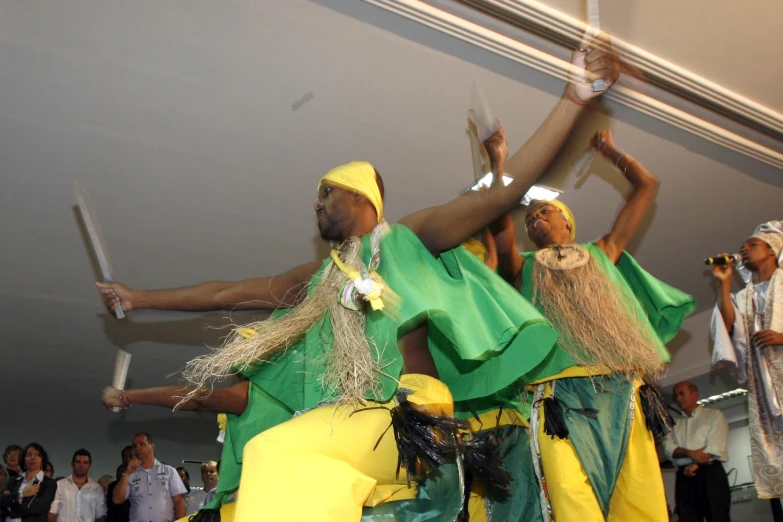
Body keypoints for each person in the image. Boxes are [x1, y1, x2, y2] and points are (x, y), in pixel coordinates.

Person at [99, 34, 620, 522]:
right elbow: (225, 293)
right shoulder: (324, 277)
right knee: (283, 469)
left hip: (411, 419)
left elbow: (499, 197)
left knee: (271, 450)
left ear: (361, 196)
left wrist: (574, 98)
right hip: (355, 419)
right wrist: (137, 295)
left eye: (326, 193)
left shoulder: (407, 239)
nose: (317, 205)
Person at [484, 129, 696, 521]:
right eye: (529, 218)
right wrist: (498, 167)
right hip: (556, 399)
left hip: (620, 390)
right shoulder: (524, 268)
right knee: (570, 501)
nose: (535, 219)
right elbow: (500, 232)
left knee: (639, 501)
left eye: (545, 211)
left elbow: (646, 185)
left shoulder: (602, 252)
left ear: (568, 223)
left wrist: (610, 152)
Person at [711, 220, 783, 499]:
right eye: (743, 247)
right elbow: (730, 328)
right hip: (764, 390)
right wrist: (724, 284)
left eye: (752, 244)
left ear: (773, 250)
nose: (745, 249)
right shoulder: (744, 296)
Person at [662, 381, 730, 521]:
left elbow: (715, 445)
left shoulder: (713, 415)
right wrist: (689, 453)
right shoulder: (673, 423)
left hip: (710, 474)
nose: (678, 399)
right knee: (687, 518)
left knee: (717, 517)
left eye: (682, 394)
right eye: (676, 396)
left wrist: (696, 464)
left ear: (695, 394)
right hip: (684, 475)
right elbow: (667, 447)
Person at [110, 434, 186, 522]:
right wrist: (127, 473)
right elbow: (117, 499)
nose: (137, 448)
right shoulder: (131, 473)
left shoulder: (169, 471)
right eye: (135, 446)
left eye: (141, 444)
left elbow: (179, 501)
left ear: (152, 446)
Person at [0, 444, 57, 522]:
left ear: (42, 460)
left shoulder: (49, 483)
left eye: (37, 455)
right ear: (24, 459)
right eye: (29, 455)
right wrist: (22, 494)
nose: (33, 458)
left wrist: (9, 506)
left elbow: (37, 508)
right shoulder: (13, 480)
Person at [48, 449, 106, 522]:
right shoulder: (59, 485)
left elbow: (100, 515)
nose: (81, 465)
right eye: (78, 462)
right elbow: (53, 512)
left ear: (89, 465)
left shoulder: (96, 488)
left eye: (85, 462)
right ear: (72, 464)